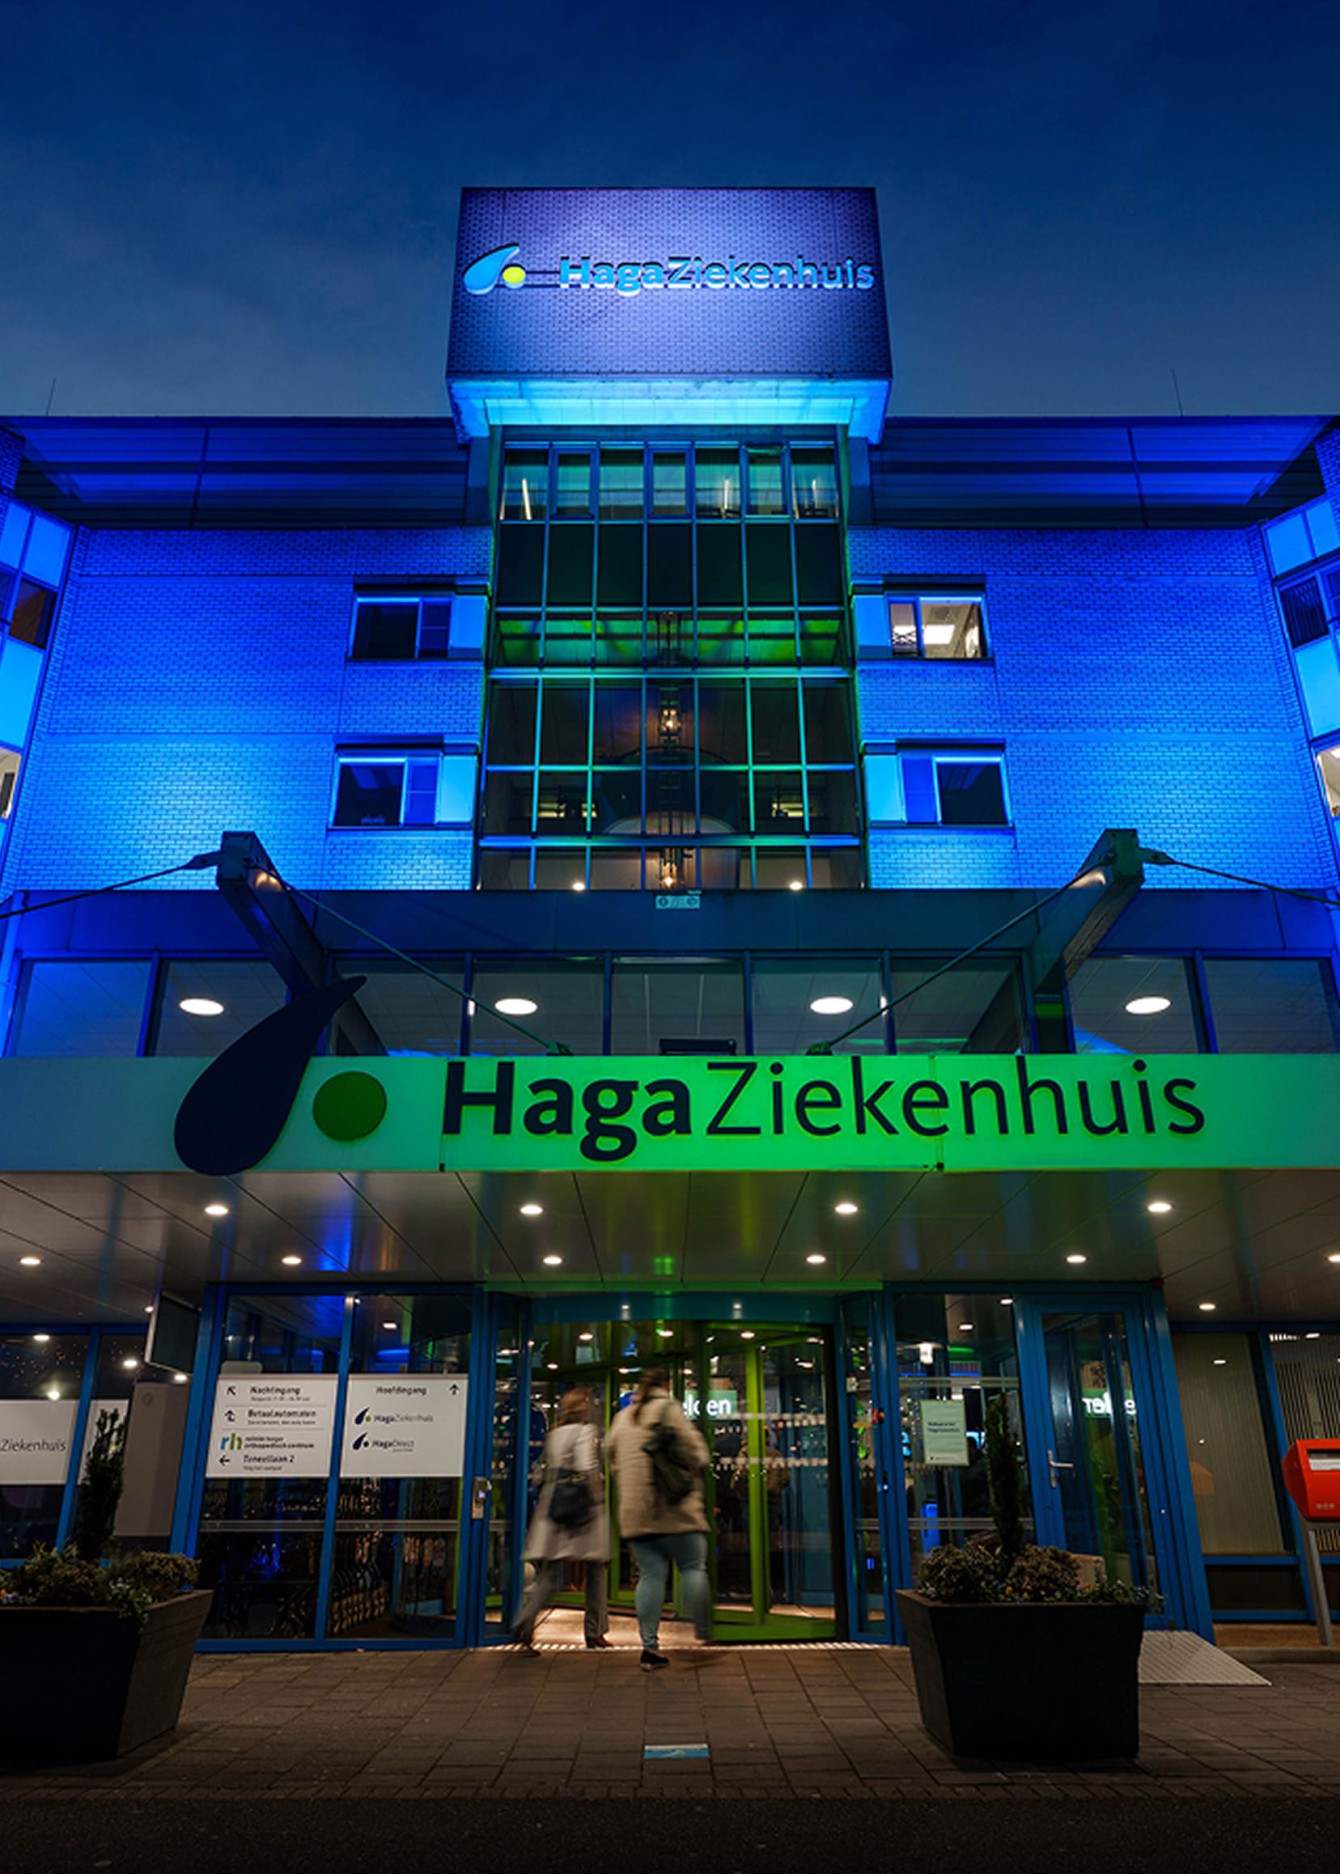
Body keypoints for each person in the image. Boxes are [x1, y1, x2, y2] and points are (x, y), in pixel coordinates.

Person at [605, 1366, 710, 1670]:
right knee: (693, 1567)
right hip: (675, 1510)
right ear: (665, 1385)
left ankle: (649, 1648)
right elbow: (699, 1454)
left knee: (650, 1576)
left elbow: (609, 1455)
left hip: (636, 1515)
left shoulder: (622, 1418)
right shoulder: (668, 1409)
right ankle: (704, 1632)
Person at [512, 1387, 609, 1652]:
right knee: (596, 1568)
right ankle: (595, 1631)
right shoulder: (586, 1432)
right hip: (581, 1509)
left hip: (555, 1506)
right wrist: (597, 1500)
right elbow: (586, 1468)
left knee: (551, 1571)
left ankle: (526, 1619)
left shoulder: (554, 1435)